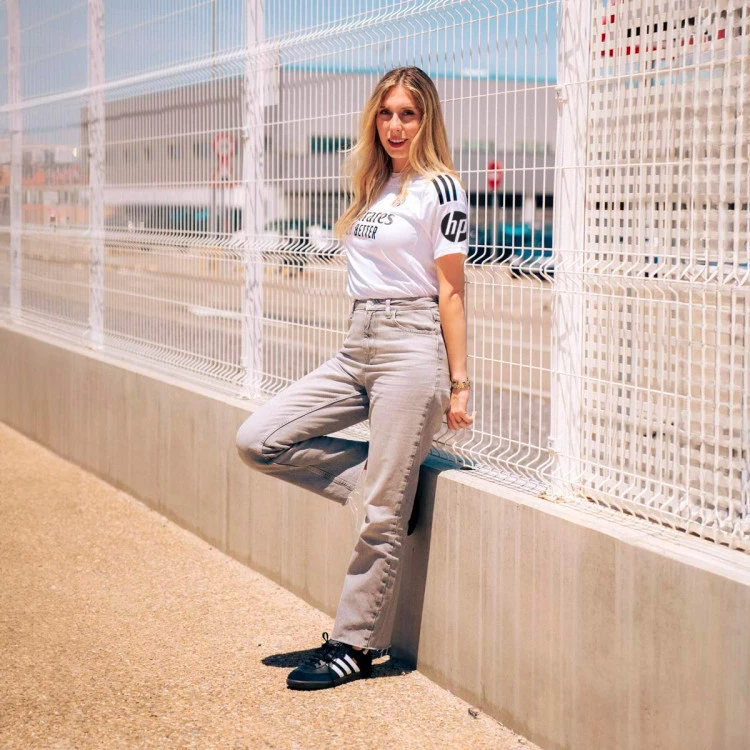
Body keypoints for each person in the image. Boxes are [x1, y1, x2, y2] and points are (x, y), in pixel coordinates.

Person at [235, 66, 474, 690]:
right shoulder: (376, 184)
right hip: (356, 343)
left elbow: (452, 291)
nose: (396, 126)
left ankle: (354, 645)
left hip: (411, 347)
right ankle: (388, 492)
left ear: (427, 120)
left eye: (409, 114)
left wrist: (460, 382)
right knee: (259, 440)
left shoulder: (441, 188)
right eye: (387, 113)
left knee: (377, 518)